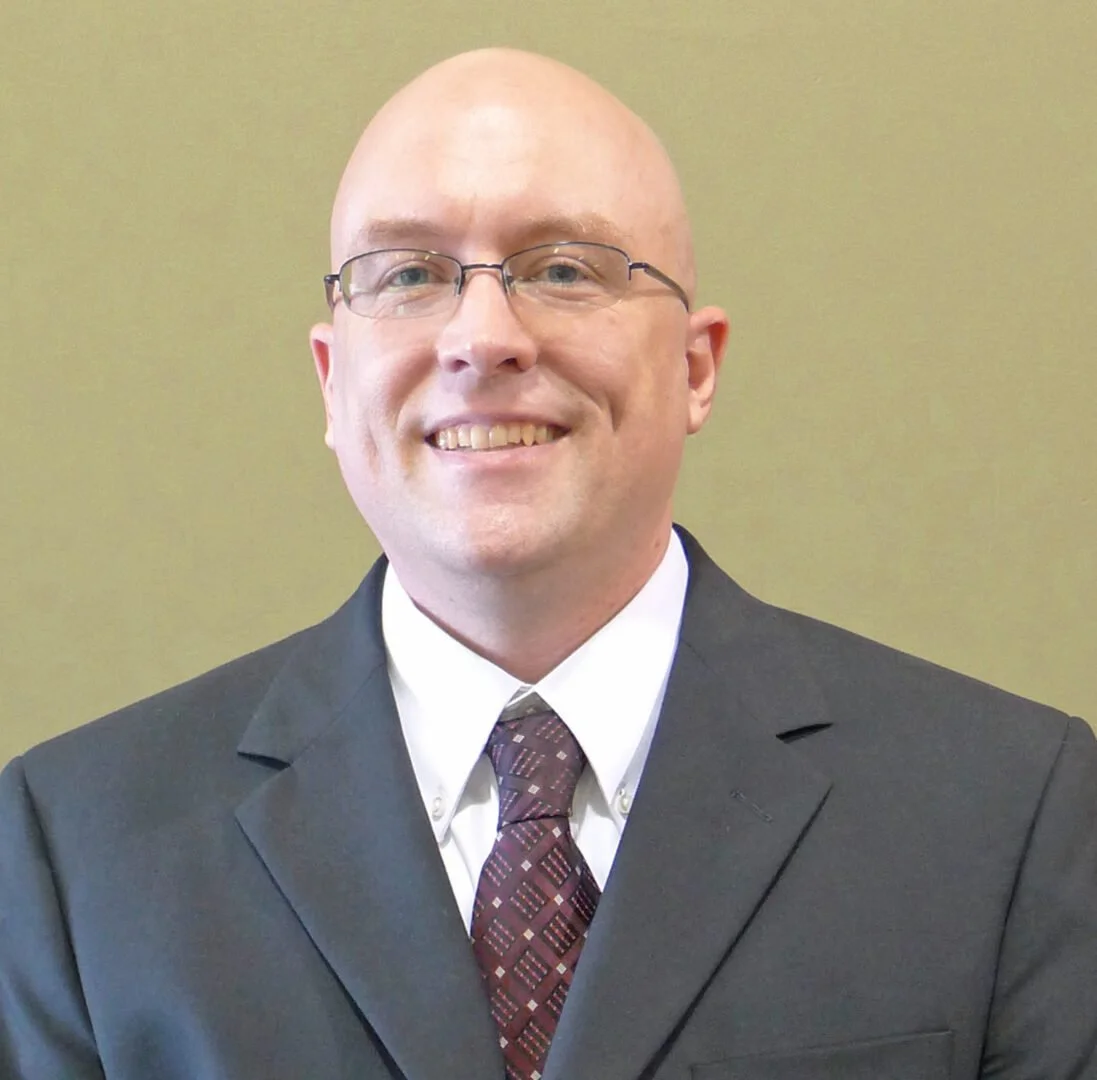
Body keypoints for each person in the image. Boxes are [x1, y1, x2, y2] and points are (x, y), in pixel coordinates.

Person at [1, 47, 1094, 1080]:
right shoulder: (74, 850)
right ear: (332, 382)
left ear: (695, 366)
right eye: (409, 274)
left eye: (563, 268)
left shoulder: (1011, 815)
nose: (483, 336)